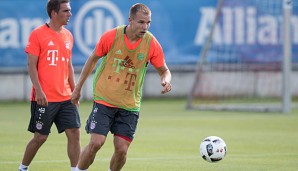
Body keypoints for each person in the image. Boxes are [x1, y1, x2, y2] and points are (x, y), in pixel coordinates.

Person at [71, 3, 172, 171]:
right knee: (96, 143)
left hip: (129, 105)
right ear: (130, 20)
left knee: (121, 150)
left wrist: (166, 80)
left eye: (148, 23)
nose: (145, 27)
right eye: (141, 22)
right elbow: (92, 59)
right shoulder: (112, 36)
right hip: (104, 99)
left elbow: (164, 70)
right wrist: (77, 88)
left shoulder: (151, 43)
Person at [19, 0, 81, 171]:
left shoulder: (68, 35)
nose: (69, 14)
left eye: (69, 11)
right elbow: (31, 65)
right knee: (40, 137)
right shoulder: (38, 34)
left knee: (75, 133)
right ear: (54, 13)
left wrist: (74, 90)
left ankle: (76, 169)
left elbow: (68, 65)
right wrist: (38, 90)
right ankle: (23, 168)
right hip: (45, 97)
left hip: (66, 97)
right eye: (66, 11)